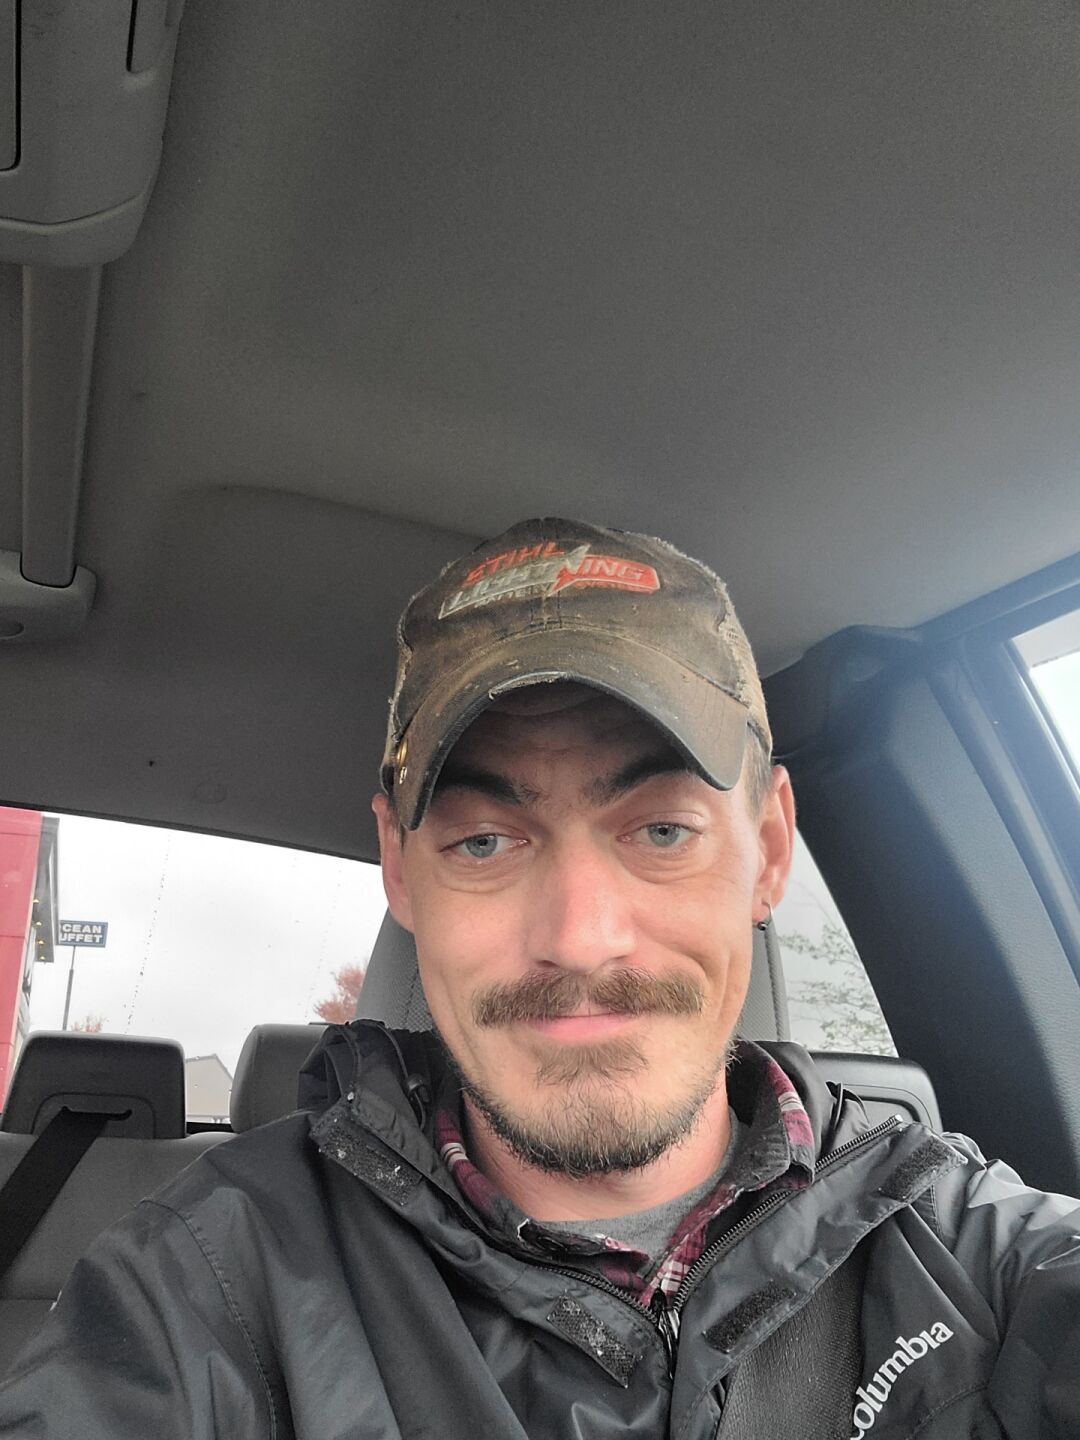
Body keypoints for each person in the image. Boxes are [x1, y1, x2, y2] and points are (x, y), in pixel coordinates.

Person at [0, 517, 1077, 1439]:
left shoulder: (976, 1255)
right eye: (484, 842)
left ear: (769, 849)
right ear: (400, 871)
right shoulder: (206, 1290)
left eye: (661, 830)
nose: (581, 938)